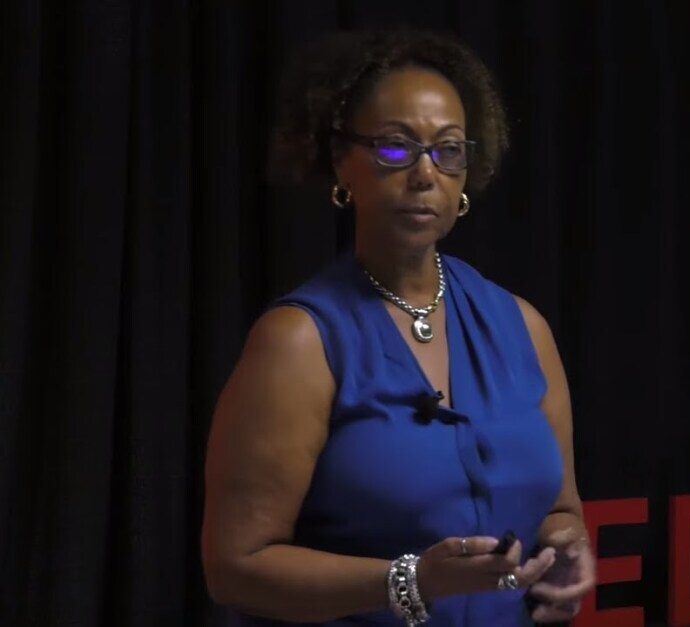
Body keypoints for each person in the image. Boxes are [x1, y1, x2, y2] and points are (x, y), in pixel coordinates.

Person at [200, 26, 596, 626]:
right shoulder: (299, 342)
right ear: (342, 162)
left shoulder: (524, 327)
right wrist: (411, 581)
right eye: (394, 147)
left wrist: (569, 547)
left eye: (448, 150)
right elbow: (235, 567)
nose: (424, 174)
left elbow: (561, 509)